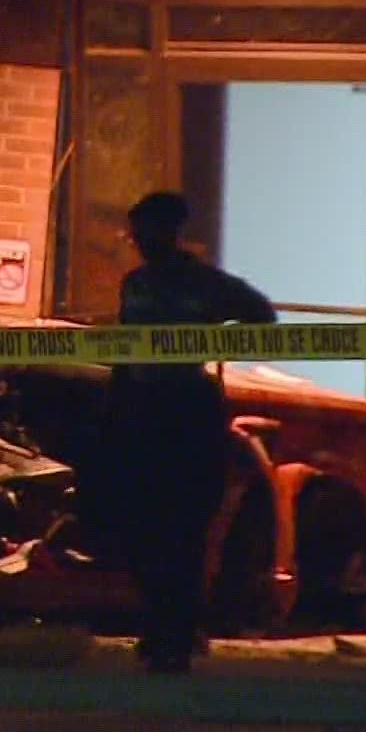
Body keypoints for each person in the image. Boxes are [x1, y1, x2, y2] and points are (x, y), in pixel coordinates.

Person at [107, 191, 276, 673]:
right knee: (144, 529)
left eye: (145, 232)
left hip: (185, 413)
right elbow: (124, 350)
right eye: (134, 234)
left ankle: (177, 635)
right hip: (142, 412)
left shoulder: (203, 284)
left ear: (168, 232)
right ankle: (157, 625)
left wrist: (217, 339)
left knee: (182, 530)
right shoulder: (134, 286)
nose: (139, 242)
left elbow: (261, 313)